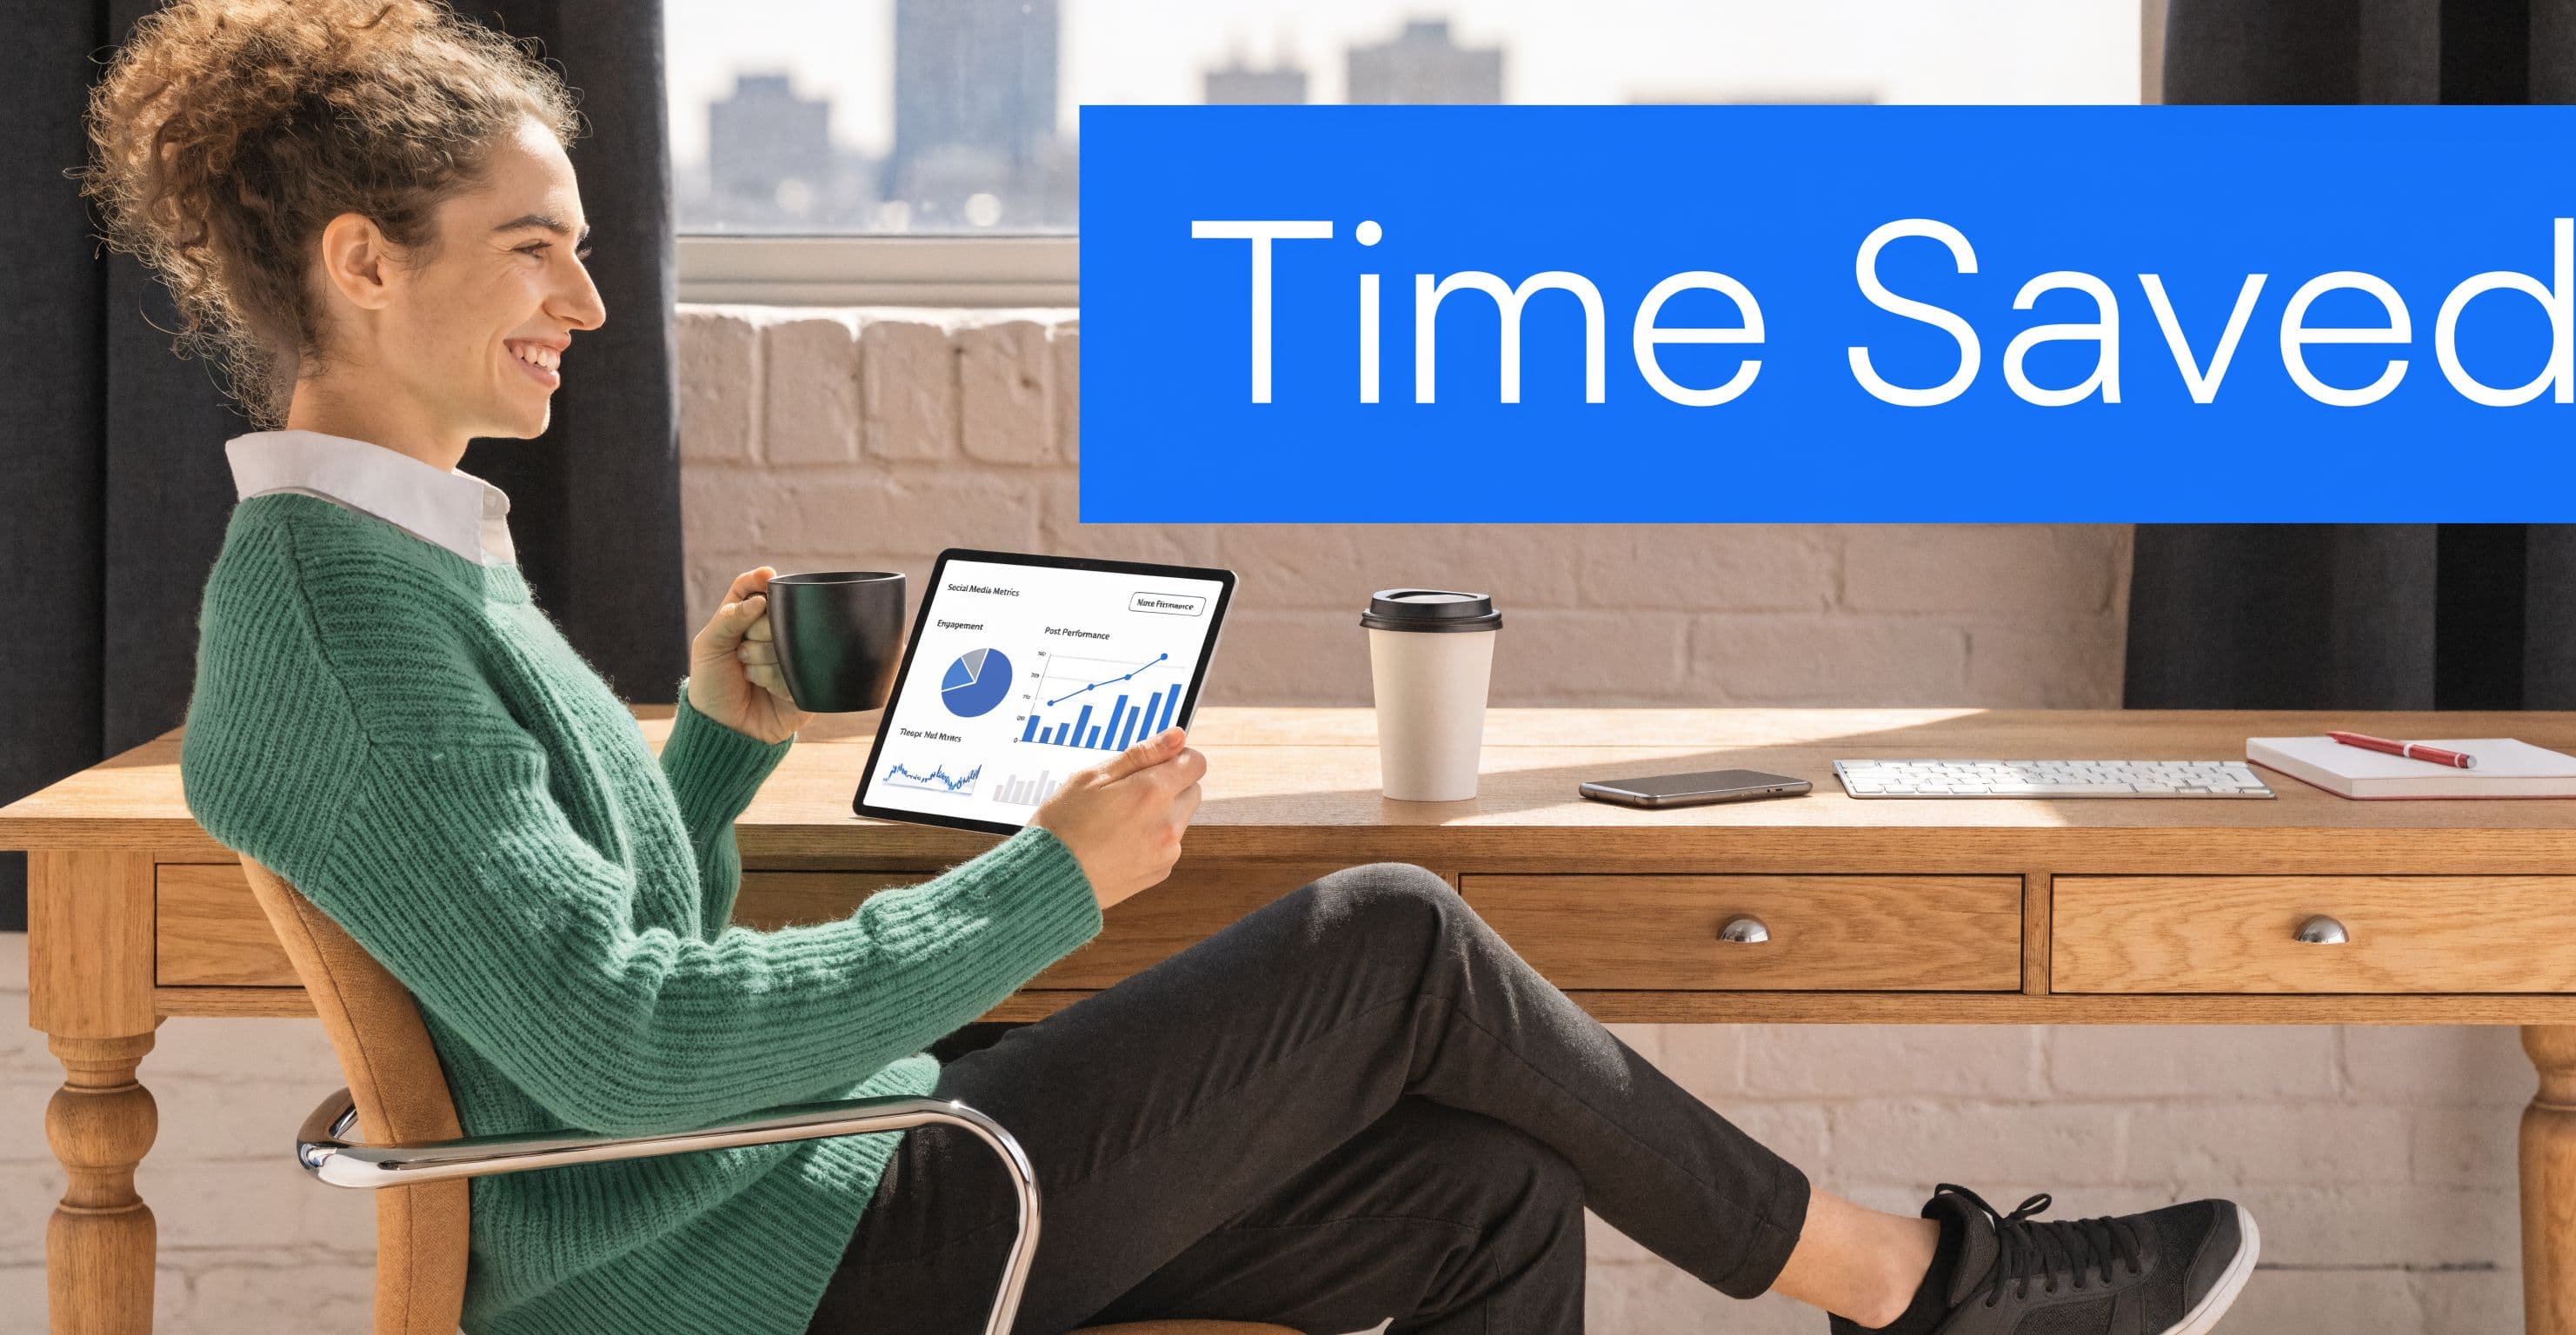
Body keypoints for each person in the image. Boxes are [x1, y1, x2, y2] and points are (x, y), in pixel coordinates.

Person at [85, 3, 2258, 1334]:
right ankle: (1916, 1287)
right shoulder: (343, 616)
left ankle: (1922, 1292)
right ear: (364, 267)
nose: (589, 296)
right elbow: (634, 1057)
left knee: (1492, 1185)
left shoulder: (411, 569)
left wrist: (724, 753)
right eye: (535, 245)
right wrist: (1048, 880)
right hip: (752, 1274)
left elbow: (572, 966)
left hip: (803, 1200)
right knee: (1395, 934)